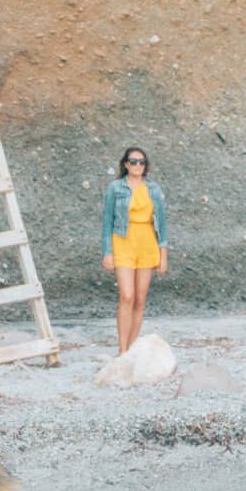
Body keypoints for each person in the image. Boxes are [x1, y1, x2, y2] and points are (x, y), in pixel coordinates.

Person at [101, 146, 168, 354]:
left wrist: (163, 255)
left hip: (147, 243)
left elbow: (162, 224)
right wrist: (107, 252)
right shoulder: (115, 188)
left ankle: (131, 350)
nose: (137, 165)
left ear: (145, 165)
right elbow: (106, 221)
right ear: (125, 164)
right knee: (127, 296)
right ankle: (122, 349)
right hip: (122, 241)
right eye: (133, 161)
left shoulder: (154, 190)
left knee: (140, 299)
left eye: (142, 162)